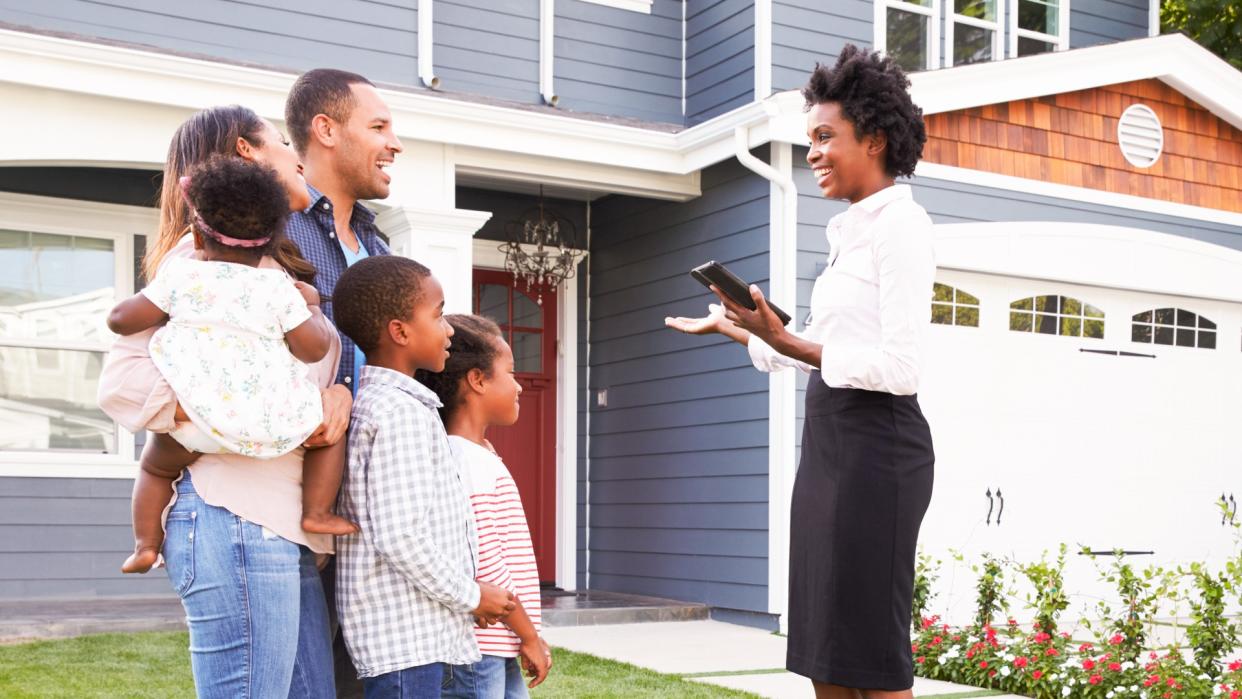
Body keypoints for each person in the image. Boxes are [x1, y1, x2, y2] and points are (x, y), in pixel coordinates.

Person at [666, 44, 936, 699]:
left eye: (824, 137)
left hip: (878, 450)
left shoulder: (901, 224)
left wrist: (786, 336)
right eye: (808, 138)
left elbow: (900, 366)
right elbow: (816, 346)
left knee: (868, 648)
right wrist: (744, 328)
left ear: (872, 140)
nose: (812, 151)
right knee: (824, 645)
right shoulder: (848, 230)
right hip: (827, 446)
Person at [96, 105, 345, 698]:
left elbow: (298, 361)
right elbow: (122, 385)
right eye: (283, 142)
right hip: (235, 520)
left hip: (275, 526)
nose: (295, 154)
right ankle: (144, 540)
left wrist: (329, 398)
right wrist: (245, 415)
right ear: (246, 153)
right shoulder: (198, 262)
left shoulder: (264, 269)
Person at [106, 156, 357, 574]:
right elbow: (313, 349)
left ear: (198, 239)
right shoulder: (279, 287)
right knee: (332, 432)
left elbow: (121, 321)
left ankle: (146, 544)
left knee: (154, 466)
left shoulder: (182, 276)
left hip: (196, 425)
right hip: (274, 426)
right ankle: (317, 511)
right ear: (272, 242)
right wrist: (311, 307)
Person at [331, 256, 517, 696]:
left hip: (413, 638)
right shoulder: (400, 414)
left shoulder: (395, 405)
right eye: (437, 315)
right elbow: (402, 536)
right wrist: (472, 595)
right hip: (405, 644)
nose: (449, 328)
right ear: (400, 332)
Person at [282, 69, 402, 697]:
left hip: (371, 502)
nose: (394, 143)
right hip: (293, 497)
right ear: (325, 130)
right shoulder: (278, 228)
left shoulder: (378, 243)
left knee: (364, 679)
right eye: (378, 126)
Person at [416, 314, 553, 698]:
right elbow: (485, 565)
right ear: (476, 380)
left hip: (495, 641)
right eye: (510, 372)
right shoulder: (464, 460)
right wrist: (530, 636)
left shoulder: (477, 456)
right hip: (478, 648)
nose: (520, 386)